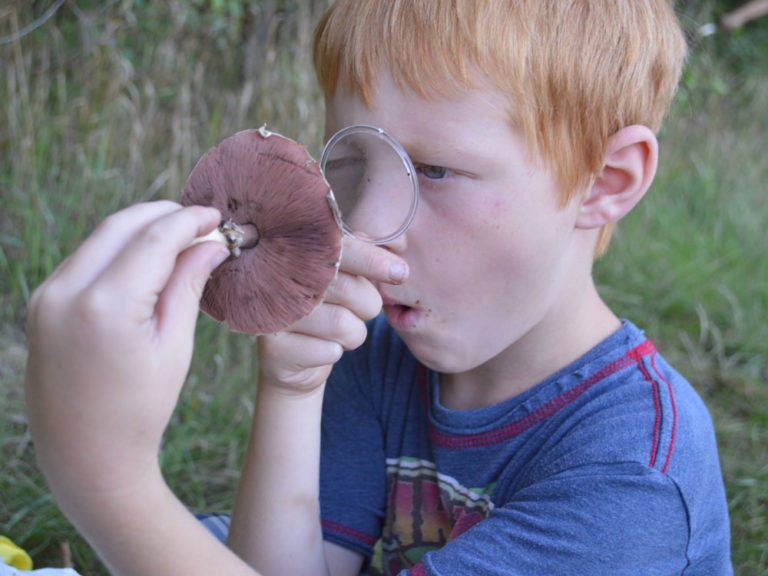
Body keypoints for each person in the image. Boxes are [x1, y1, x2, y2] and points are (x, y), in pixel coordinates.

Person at [25, 1, 732, 575]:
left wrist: (107, 478)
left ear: (604, 183)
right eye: (356, 159)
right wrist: (294, 392)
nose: (361, 227)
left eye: (434, 171)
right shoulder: (381, 352)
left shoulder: (631, 476)